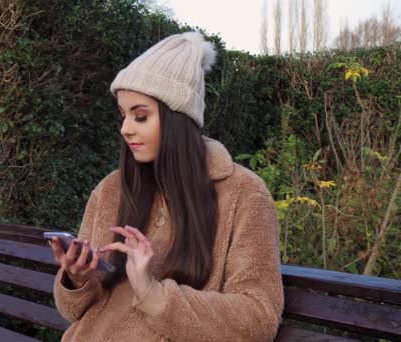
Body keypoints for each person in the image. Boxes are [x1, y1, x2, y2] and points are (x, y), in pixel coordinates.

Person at [48, 31, 284, 342]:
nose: (125, 129)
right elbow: (74, 312)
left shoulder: (243, 195)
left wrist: (153, 293)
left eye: (141, 116)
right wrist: (77, 279)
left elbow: (258, 318)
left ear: (177, 120)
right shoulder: (111, 189)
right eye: (123, 115)